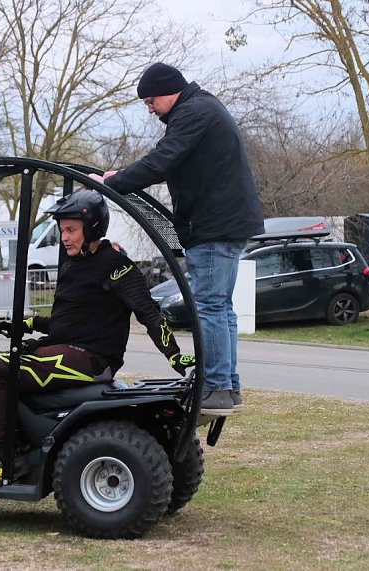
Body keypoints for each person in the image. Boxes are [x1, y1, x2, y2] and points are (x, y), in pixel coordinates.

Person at [0, 190, 194, 488]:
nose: (64, 237)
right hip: (71, 348)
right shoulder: (75, 264)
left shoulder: (116, 266)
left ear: (92, 228)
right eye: (62, 230)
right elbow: (73, 321)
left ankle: (6, 457)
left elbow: (149, 313)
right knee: (13, 356)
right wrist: (26, 323)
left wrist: (173, 354)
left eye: (71, 230)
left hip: (90, 360)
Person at [88, 62, 264, 416]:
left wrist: (112, 184)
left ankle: (215, 386)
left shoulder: (193, 112)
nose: (150, 109)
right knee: (221, 307)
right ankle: (227, 385)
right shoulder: (201, 109)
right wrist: (119, 175)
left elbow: (161, 161)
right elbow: (164, 158)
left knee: (210, 306)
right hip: (228, 223)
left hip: (213, 226)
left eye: (150, 101)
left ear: (169, 90)